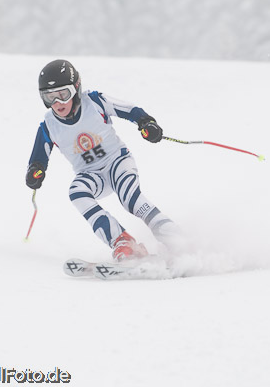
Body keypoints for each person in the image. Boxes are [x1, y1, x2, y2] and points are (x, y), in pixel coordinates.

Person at [26, 59, 178, 261]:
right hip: (90, 174)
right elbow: (38, 158)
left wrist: (147, 123)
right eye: (49, 97)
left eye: (63, 95)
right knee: (77, 192)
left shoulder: (95, 102)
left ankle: (174, 238)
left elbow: (130, 110)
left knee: (129, 198)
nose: (57, 103)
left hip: (117, 162)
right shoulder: (49, 125)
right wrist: (35, 172)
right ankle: (122, 241)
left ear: (76, 89)